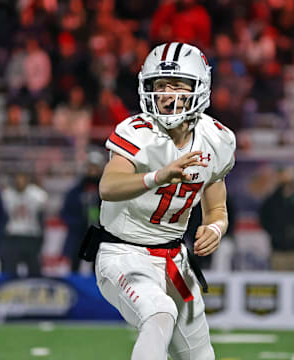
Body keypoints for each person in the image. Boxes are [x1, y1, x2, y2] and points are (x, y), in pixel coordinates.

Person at [80, 42, 236, 359]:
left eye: (176, 86)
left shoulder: (217, 139)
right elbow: (107, 186)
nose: (165, 94)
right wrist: (157, 177)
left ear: (200, 88)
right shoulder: (137, 131)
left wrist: (215, 229)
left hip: (175, 259)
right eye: (159, 85)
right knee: (159, 312)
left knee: (200, 355)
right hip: (123, 252)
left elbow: (217, 208)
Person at [60, 150, 105, 272]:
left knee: (97, 267)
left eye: (95, 167)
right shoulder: (76, 190)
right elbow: (65, 211)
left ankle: (95, 290)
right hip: (78, 235)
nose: (92, 170)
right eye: (90, 166)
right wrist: (76, 224)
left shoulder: (105, 189)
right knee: (74, 265)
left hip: (98, 234)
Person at [0, 171, 48, 277]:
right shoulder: (7, 194)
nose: (20, 181)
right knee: (10, 271)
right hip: (13, 236)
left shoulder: (37, 194)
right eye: (18, 178)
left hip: (31, 236)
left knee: (34, 271)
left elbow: (42, 213)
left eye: (22, 178)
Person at [259, 166, 294, 271]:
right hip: (278, 249)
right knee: (280, 282)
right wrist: (275, 234)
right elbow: (264, 219)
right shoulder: (272, 200)